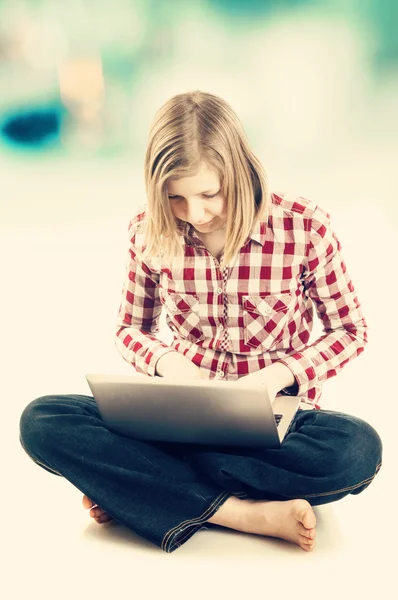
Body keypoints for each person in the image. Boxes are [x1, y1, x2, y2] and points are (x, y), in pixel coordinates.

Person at [19, 90, 382, 554]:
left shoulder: (305, 227)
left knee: (357, 450)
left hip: (275, 430)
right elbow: (130, 329)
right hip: (178, 422)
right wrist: (169, 364)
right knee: (43, 419)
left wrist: (279, 376)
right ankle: (241, 512)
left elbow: (351, 332)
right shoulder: (146, 231)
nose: (195, 214)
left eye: (209, 193)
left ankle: (144, 488)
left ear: (238, 170)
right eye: (176, 198)